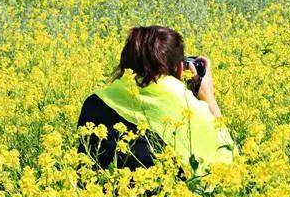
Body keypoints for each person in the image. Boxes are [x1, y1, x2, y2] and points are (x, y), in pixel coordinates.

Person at [77, 26, 235, 176]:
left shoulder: (95, 101)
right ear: (180, 69)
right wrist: (207, 96)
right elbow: (226, 161)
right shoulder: (183, 103)